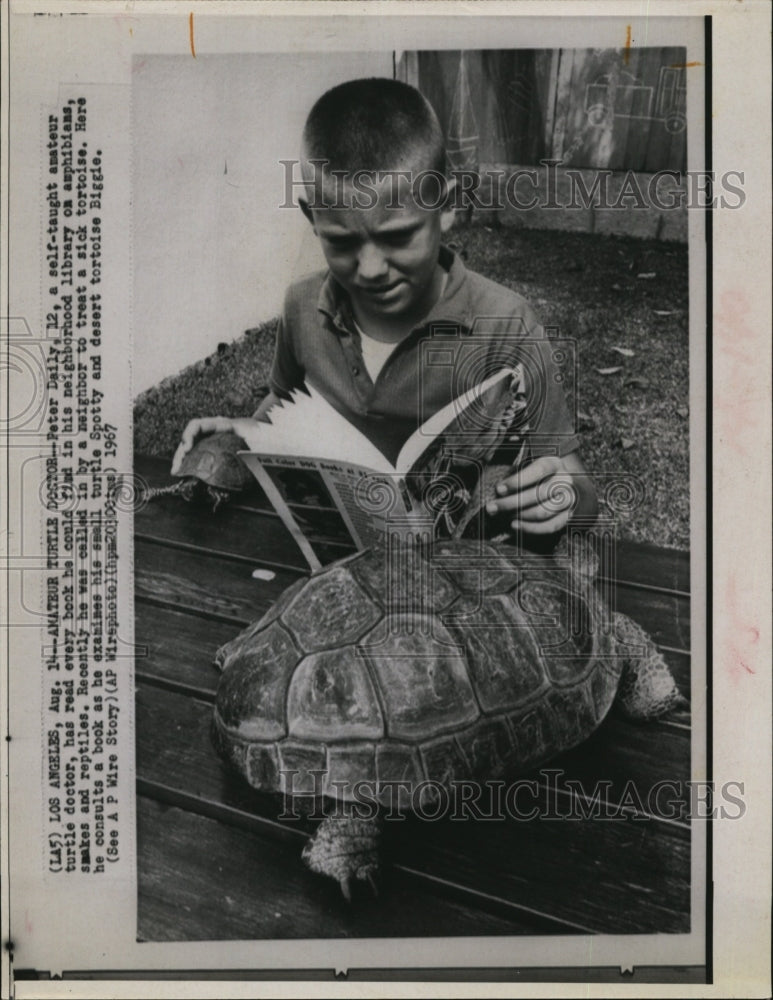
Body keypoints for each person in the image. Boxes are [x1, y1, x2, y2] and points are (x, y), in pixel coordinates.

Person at [172, 77, 597, 542]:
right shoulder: (301, 307)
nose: (370, 269)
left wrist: (564, 496)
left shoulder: (507, 326)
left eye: (397, 237)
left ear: (448, 206)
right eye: (341, 241)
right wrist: (246, 431)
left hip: (463, 576)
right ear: (312, 218)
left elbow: (580, 489)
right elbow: (286, 402)